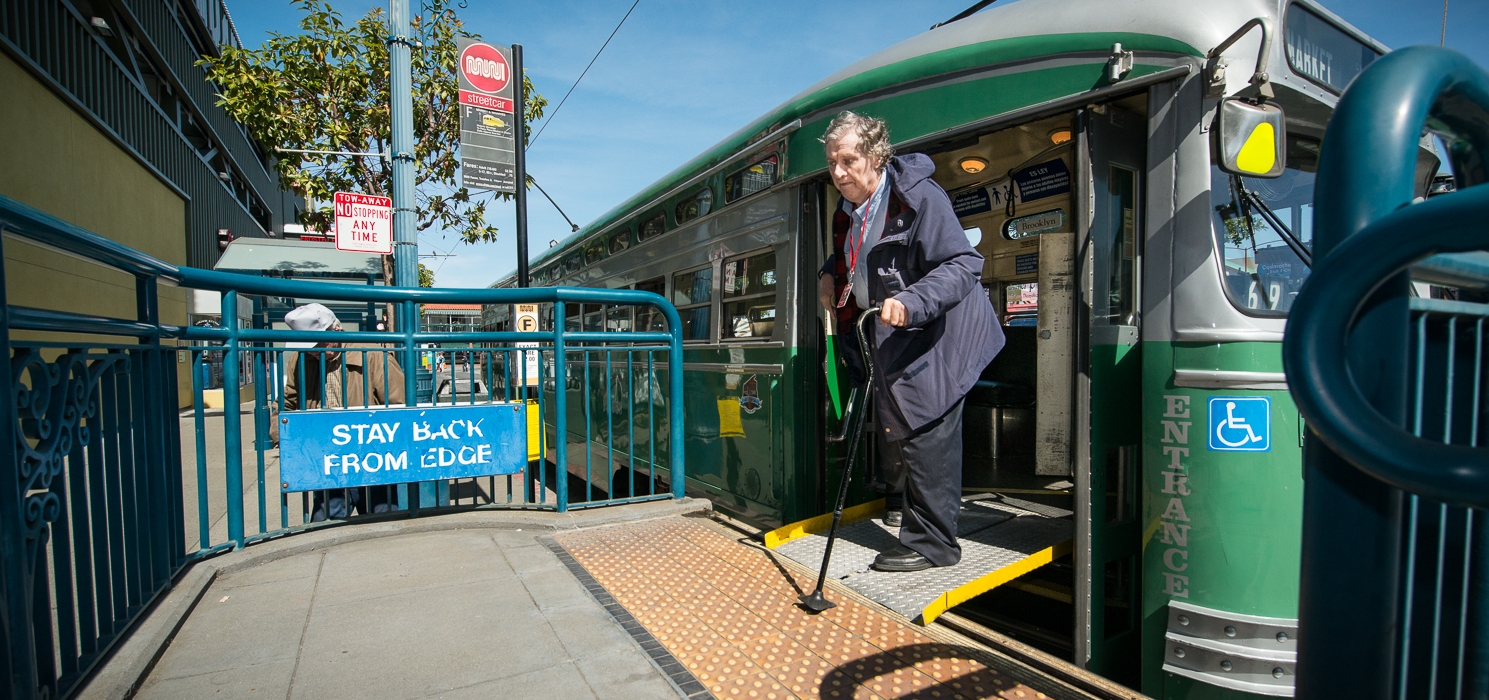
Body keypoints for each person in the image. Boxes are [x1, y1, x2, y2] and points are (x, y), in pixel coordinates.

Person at [817, 111, 1004, 572]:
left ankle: (933, 544)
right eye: (832, 162)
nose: (838, 172)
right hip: (893, 335)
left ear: (876, 156)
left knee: (926, 431)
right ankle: (910, 512)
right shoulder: (852, 210)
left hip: (939, 334)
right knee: (901, 425)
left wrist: (913, 300)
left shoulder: (918, 197)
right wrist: (830, 269)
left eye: (848, 159)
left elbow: (963, 263)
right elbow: (866, 250)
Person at [272, 303, 407, 521]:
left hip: (370, 456)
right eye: (309, 346)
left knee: (381, 520)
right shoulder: (300, 358)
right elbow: (288, 401)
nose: (315, 351)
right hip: (327, 456)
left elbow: (400, 405)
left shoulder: (372, 354)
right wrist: (280, 431)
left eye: (319, 343)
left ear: (336, 329)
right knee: (325, 522)